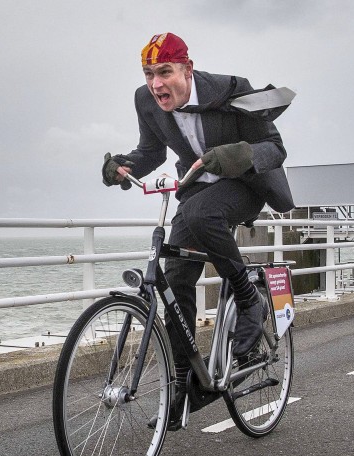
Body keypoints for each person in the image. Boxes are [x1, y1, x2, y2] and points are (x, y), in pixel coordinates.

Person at [102, 32, 295, 429]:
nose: (156, 83)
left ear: (187, 70)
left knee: (205, 215)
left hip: (243, 186)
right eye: (149, 73)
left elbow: (275, 148)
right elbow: (153, 152)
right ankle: (182, 387)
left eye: (165, 72)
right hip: (196, 188)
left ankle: (249, 301)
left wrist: (239, 155)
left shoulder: (230, 91)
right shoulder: (146, 100)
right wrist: (123, 166)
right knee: (175, 276)